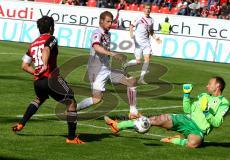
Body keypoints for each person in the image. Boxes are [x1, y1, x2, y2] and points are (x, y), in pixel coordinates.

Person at [12, 16, 84, 144]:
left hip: (38, 81)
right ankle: (72, 138)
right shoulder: (51, 38)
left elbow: (24, 65)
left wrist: (36, 71)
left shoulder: (33, 43)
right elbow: (46, 49)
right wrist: (45, 65)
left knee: (39, 99)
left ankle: (21, 124)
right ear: (51, 28)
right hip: (51, 78)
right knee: (71, 102)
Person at [105, 76, 230, 148]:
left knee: (194, 143)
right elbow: (187, 110)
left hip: (198, 130)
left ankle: (174, 140)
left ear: (217, 86)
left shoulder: (224, 103)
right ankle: (117, 126)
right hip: (185, 119)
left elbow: (217, 122)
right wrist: (186, 95)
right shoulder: (203, 95)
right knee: (155, 120)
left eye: (210, 84)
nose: (207, 86)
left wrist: (207, 112)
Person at [76, 11, 140, 119]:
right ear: (101, 21)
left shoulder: (108, 34)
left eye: (111, 22)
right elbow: (96, 47)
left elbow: (104, 51)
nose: (110, 24)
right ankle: (74, 108)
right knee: (96, 99)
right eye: (108, 21)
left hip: (107, 69)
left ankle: (133, 112)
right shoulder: (97, 33)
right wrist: (112, 53)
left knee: (131, 81)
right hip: (96, 71)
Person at [123, 3, 161, 85]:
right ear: (143, 9)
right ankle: (125, 65)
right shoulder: (139, 18)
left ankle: (141, 79)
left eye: (149, 8)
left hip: (147, 43)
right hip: (138, 42)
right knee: (138, 62)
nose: (148, 10)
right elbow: (131, 26)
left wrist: (156, 38)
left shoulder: (151, 20)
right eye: (146, 8)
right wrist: (131, 34)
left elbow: (151, 31)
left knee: (147, 60)